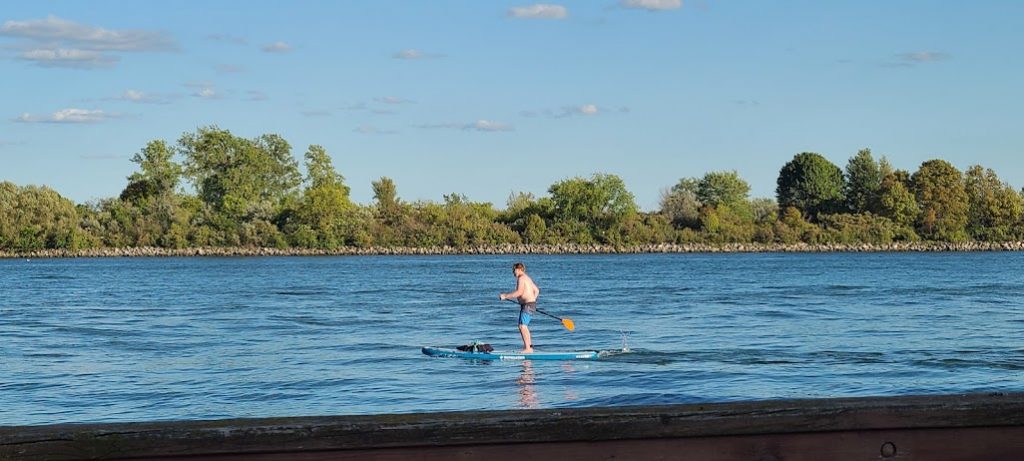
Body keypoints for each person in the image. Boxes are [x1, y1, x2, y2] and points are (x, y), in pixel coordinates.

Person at [499, 262, 539, 353]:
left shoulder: (521, 278)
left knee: (522, 326)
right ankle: (529, 348)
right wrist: (532, 300)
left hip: (528, 305)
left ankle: (528, 348)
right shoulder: (527, 278)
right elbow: (536, 291)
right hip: (529, 304)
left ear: (519, 269)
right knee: (524, 326)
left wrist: (505, 296)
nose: (513, 272)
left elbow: (519, 292)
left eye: (514, 270)